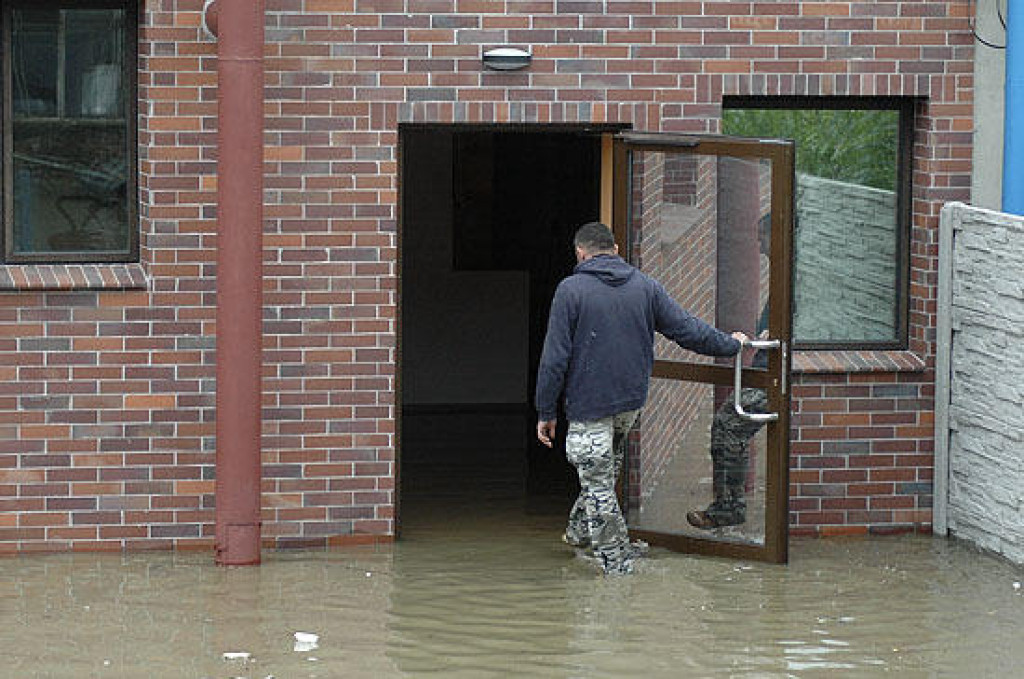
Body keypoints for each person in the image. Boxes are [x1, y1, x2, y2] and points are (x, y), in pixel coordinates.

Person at [535, 221, 747, 575]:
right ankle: (578, 532)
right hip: (629, 403)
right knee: (603, 467)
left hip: (590, 405)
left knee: (598, 481)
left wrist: (545, 409)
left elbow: (554, 357)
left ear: (580, 253)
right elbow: (688, 330)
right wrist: (733, 344)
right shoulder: (645, 286)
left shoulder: (570, 290)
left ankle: (616, 568)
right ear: (616, 250)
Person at [686, 306, 770, 530]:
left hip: (776, 374)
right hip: (764, 370)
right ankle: (729, 506)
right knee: (726, 425)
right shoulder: (793, 282)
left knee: (729, 425)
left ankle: (729, 508)